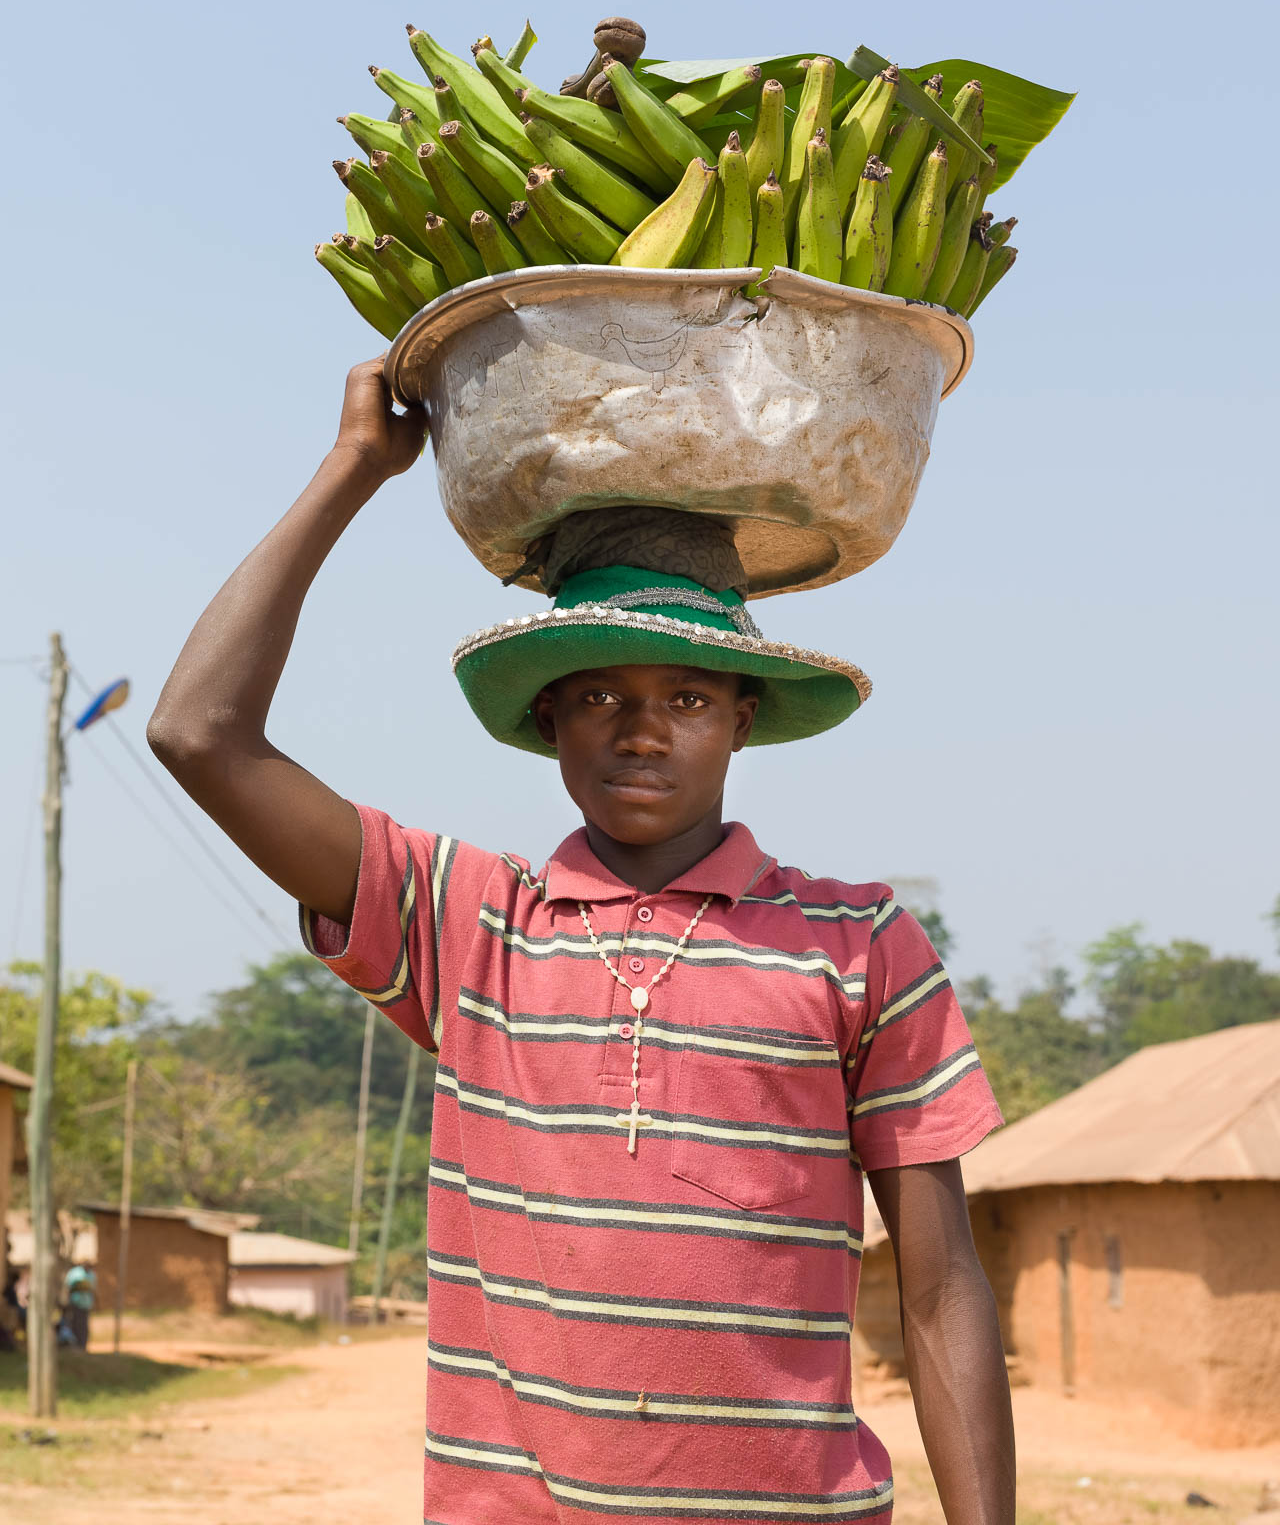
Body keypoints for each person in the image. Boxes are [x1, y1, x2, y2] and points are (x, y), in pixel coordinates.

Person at [149, 359, 1015, 1523]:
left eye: (689, 698)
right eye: (601, 696)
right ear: (548, 714)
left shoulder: (857, 943)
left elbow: (940, 1284)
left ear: (742, 718)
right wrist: (352, 469)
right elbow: (198, 732)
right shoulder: (469, 924)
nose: (644, 731)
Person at [62, 1260, 96, 1349]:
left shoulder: (92, 1274)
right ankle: (76, 1346)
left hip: (86, 1304)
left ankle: (83, 1345)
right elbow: (68, 1288)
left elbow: (93, 1290)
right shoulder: (74, 1273)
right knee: (75, 1325)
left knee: (83, 1326)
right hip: (75, 1303)